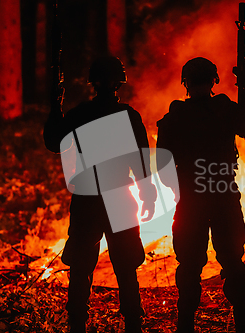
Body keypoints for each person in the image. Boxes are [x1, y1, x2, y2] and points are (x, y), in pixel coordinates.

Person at [44, 56, 156, 333]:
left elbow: (53, 143)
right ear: (119, 83)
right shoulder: (128, 116)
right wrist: (147, 193)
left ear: (92, 83)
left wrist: (55, 106)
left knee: (81, 268)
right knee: (126, 266)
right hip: (119, 196)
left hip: (87, 199)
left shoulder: (80, 114)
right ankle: (133, 324)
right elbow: (141, 160)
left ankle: (76, 325)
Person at [156, 57, 245, 333]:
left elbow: (162, 163)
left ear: (186, 83)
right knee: (232, 260)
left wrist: (178, 189)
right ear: (214, 80)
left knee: (189, 265)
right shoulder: (225, 110)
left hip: (192, 197)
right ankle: (243, 323)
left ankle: (185, 325)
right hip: (222, 194)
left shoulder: (176, 116)